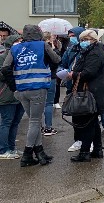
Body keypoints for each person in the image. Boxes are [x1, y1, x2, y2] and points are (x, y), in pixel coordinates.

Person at [1, 24, 60, 167]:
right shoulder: (42, 45)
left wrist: (14, 86)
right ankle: (27, 154)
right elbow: (56, 59)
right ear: (38, 33)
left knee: (35, 121)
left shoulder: (15, 48)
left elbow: (5, 67)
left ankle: (40, 152)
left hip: (21, 90)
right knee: (34, 122)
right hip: (38, 87)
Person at [67, 29, 104, 162]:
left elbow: (89, 72)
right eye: (81, 40)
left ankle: (85, 152)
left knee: (88, 123)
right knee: (93, 123)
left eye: (85, 40)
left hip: (92, 92)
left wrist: (72, 75)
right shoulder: (89, 51)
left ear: (93, 40)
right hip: (92, 91)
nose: (82, 42)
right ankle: (97, 149)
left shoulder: (95, 53)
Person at [0, 35, 24, 159]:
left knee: (15, 122)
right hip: (6, 94)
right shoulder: (2, 57)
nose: (20, 43)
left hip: (20, 94)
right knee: (6, 122)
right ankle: (3, 150)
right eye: (17, 42)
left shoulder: (22, 57)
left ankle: (12, 147)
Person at [42, 32, 62, 136]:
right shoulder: (50, 51)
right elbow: (57, 61)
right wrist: (54, 49)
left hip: (39, 78)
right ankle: (48, 127)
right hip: (50, 77)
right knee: (48, 103)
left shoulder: (38, 50)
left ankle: (40, 127)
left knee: (39, 104)